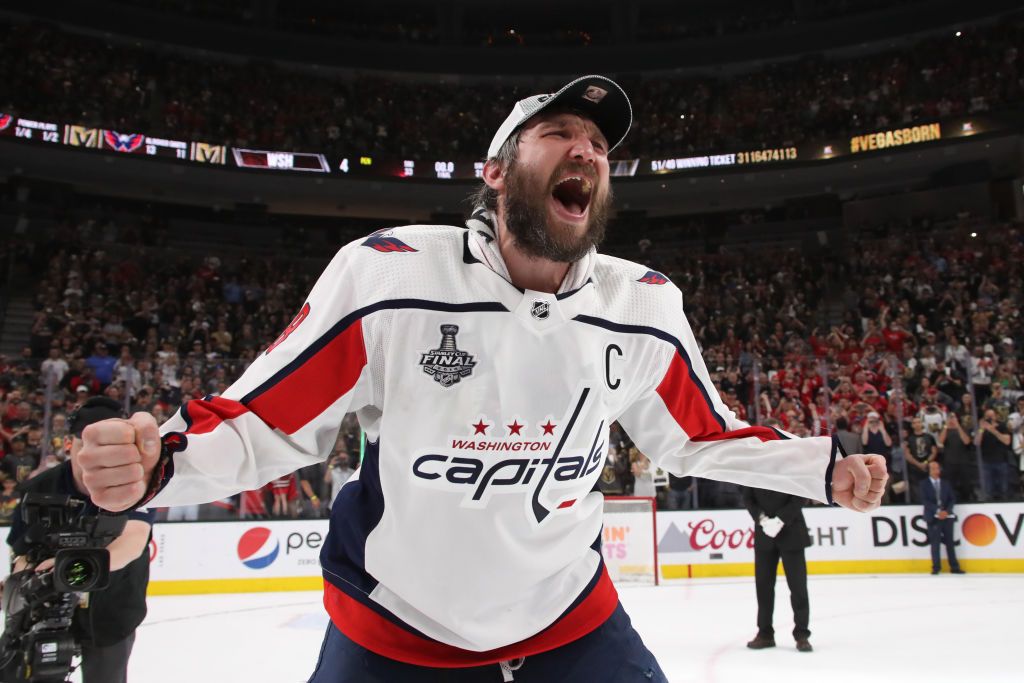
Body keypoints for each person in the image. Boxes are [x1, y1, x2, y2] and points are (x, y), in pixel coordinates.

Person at [74, 75, 888, 682]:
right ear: (496, 172)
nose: (588, 151)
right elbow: (268, 419)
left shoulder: (642, 303)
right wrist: (160, 461)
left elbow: (700, 432)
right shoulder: (389, 276)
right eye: (561, 133)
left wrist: (821, 466)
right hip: (394, 628)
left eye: (601, 147)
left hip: (569, 618)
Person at [6, 397, 154, 683]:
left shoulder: (137, 483)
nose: (100, 456)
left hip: (112, 610)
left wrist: (71, 570)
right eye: (90, 443)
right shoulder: (39, 487)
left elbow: (133, 542)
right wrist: (23, 582)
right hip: (44, 608)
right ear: (70, 445)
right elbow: (21, 552)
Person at [742, 486, 813, 652]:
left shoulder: (790, 464)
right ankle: (765, 633)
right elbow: (748, 498)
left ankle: (802, 634)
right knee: (763, 587)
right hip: (764, 533)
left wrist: (781, 519)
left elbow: (800, 494)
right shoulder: (752, 468)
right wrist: (762, 519)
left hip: (792, 531)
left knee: (798, 587)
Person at [921, 461, 964, 575]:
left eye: (937, 468)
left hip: (947, 517)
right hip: (933, 517)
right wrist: (937, 510)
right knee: (935, 543)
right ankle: (936, 567)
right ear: (929, 471)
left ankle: (954, 567)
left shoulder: (946, 483)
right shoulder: (924, 484)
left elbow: (952, 499)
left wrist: (947, 511)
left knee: (950, 542)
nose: (935, 471)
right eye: (933, 468)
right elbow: (925, 501)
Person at [975, 408, 1012, 501]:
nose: (989, 418)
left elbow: (1007, 441)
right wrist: (981, 429)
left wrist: (993, 430)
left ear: (996, 416)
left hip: (1001, 461)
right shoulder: (981, 429)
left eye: (991, 416)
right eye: (987, 416)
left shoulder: (1002, 426)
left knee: (1003, 488)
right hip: (986, 462)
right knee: (988, 489)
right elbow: (976, 443)